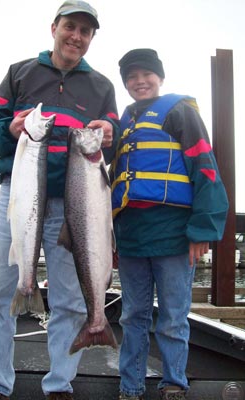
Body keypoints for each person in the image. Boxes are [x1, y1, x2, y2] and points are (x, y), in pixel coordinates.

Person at [0, 2, 119, 400]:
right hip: (18, 200)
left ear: (92, 39)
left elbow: (115, 138)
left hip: (76, 206)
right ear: (54, 27)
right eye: (70, 27)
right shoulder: (19, 73)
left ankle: (59, 384)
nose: (76, 36)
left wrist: (111, 133)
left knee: (72, 299)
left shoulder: (102, 86)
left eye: (85, 31)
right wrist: (11, 128)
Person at [110, 49, 228, 400]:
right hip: (131, 236)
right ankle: (129, 387)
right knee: (132, 316)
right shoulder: (123, 122)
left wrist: (203, 229)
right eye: (131, 77)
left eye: (146, 74)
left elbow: (206, 168)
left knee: (174, 317)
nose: (139, 81)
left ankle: (174, 383)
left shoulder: (179, 111)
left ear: (160, 77)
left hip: (174, 234)